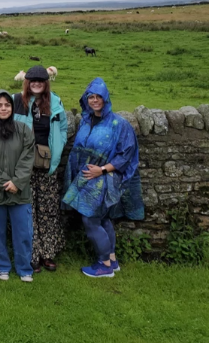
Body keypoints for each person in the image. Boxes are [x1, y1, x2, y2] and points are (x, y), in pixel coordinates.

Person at [62, 77, 144, 278]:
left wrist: (102, 170)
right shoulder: (86, 121)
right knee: (103, 217)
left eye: (99, 97)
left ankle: (104, 264)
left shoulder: (119, 124)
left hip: (103, 179)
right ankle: (112, 259)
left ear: (106, 99)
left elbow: (127, 153)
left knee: (90, 220)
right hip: (85, 178)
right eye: (91, 97)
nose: (95, 100)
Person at [12, 65, 68, 273]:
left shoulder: (55, 102)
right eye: (32, 80)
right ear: (27, 82)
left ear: (46, 82)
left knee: (47, 210)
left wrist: (57, 152)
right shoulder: (16, 101)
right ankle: (32, 254)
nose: (36, 83)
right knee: (28, 211)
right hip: (23, 166)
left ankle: (48, 252)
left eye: (40, 80)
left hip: (46, 165)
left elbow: (62, 129)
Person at [0, 90, 35, 282]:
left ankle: (24, 268)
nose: (3, 108)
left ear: (12, 107)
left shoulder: (24, 130)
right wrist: (5, 183)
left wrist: (17, 182)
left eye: (7, 105)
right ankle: (2, 266)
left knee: (23, 233)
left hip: (20, 192)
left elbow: (28, 158)